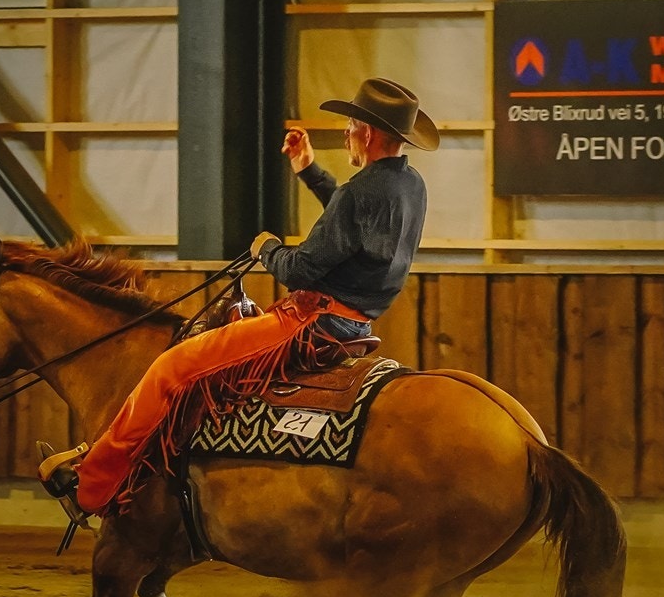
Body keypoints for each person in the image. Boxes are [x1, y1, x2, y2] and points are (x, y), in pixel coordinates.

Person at [62, 77, 439, 517]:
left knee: (172, 366)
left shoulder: (360, 193)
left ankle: (91, 487)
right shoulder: (410, 186)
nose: (345, 132)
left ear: (368, 133)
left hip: (311, 325)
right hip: (355, 325)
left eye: (350, 125)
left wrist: (266, 248)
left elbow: (300, 269)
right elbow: (353, 216)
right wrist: (308, 170)